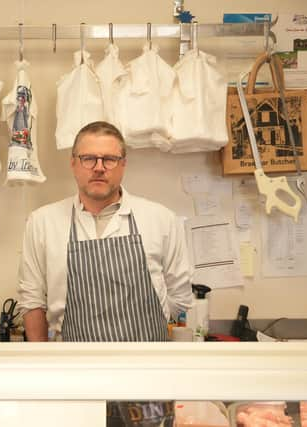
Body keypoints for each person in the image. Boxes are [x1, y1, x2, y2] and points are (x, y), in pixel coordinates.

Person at [17, 121, 193, 343]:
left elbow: (180, 298)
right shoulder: (42, 222)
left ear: (123, 164)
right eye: (88, 158)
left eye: (109, 159)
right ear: (73, 163)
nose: (99, 167)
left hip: (148, 366)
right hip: (74, 367)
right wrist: (42, 364)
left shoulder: (161, 219)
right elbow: (32, 301)